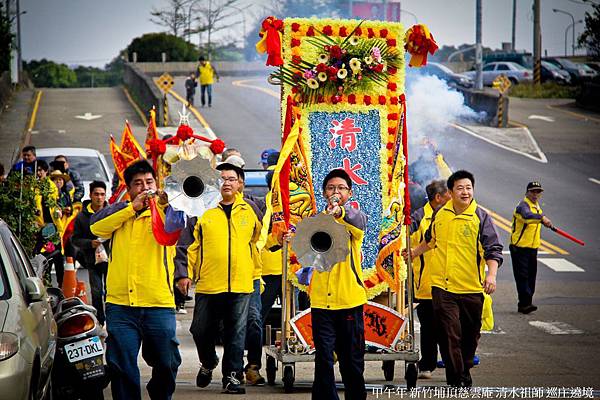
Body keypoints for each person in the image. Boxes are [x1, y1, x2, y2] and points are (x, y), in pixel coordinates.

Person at [90, 160, 182, 400]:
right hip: (121, 305)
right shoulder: (120, 213)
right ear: (129, 188)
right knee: (120, 366)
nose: (144, 187)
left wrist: (165, 202)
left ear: (157, 183)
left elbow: (184, 225)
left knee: (167, 362)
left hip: (158, 303)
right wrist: (132, 208)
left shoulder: (167, 211)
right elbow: (96, 228)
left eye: (149, 182)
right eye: (138, 184)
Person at [409, 170, 503, 388]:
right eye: (460, 188)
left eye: (468, 187)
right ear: (450, 192)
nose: (465, 192)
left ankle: (464, 367)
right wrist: (415, 252)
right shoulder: (440, 215)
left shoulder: (481, 217)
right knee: (449, 334)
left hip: (471, 288)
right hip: (443, 287)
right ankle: (457, 377)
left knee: (470, 336)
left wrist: (491, 275)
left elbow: (493, 249)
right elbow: (430, 240)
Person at [286, 169, 368, 400]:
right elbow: (304, 252)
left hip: (349, 300)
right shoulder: (314, 222)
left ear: (349, 193)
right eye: (331, 188)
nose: (336, 192)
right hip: (322, 302)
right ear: (323, 192)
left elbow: (360, 223)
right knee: (322, 360)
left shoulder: (352, 219)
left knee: (351, 361)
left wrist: (339, 211)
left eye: (341, 188)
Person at [182, 162, 261, 394]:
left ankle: (232, 376)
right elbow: (192, 246)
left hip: (241, 282)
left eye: (231, 179)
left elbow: (257, 243)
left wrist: (256, 275)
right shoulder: (202, 210)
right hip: (209, 282)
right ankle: (208, 362)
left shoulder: (250, 211)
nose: (226, 182)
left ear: (240, 184)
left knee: (235, 332)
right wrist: (186, 275)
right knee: (200, 330)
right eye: (222, 178)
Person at [409, 179, 451, 379]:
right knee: (428, 327)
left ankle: (453, 364)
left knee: (449, 326)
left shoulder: (452, 216)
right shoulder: (418, 218)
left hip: (450, 283)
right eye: (448, 195)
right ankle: (427, 365)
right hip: (426, 283)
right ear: (438, 198)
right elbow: (406, 243)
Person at [510, 181, 553, 314]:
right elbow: (527, 217)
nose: (535, 194)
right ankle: (524, 304)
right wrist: (542, 218)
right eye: (533, 191)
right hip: (520, 248)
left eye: (538, 192)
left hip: (532, 248)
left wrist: (543, 218)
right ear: (527, 192)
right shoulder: (522, 206)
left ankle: (526, 303)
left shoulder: (536, 207)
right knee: (522, 277)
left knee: (531, 277)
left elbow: (536, 216)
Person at [72, 181, 109, 326]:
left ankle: (112, 320)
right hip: (91, 261)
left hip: (112, 259)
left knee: (111, 293)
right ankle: (100, 320)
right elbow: (75, 239)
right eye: (96, 194)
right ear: (90, 195)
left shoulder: (112, 212)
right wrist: (89, 243)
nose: (99, 197)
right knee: (96, 291)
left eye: (102, 194)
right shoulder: (82, 217)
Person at [34, 160, 65, 287]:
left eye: (41, 170)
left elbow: (57, 204)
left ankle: (61, 286)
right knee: (43, 257)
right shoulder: (34, 187)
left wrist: (59, 211)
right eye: (37, 170)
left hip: (52, 226)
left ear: (46, 171)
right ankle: (45, 285)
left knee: (57, 257)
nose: (39, 172)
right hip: (40, 227)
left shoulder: (51, 186)